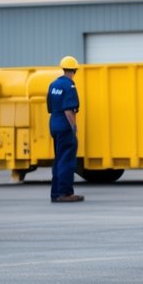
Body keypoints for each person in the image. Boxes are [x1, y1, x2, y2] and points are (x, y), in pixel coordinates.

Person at [47, 56, 84, 203]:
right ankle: (65, 192)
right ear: (74, 70)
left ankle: (55, 192)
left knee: (59, 159)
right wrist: (73, 127)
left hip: (54, 122)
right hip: (64, 124)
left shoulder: (53, 84)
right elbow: (69, 110)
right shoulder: (69, 86)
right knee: (67, 160)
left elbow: (50, 107)